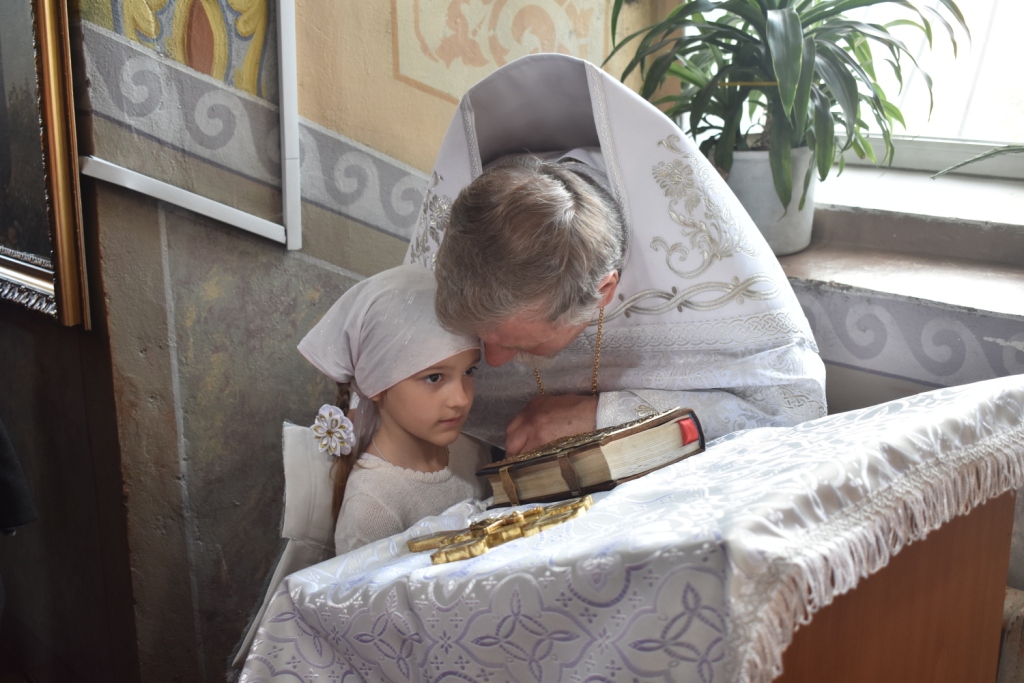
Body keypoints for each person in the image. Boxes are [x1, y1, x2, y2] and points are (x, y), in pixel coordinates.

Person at [406, 54, 827, 455]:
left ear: (604, 291)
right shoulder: (473, 233)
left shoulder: (699, 253)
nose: (491, 362)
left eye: (524, 345)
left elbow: (794, 410)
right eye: (481, 338)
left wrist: (602, 416)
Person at [297, 265, 489, 554]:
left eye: (469, 371)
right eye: (434, 378)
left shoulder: (470, 451)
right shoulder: (371, 509)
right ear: (376, 382)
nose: (461, 399)